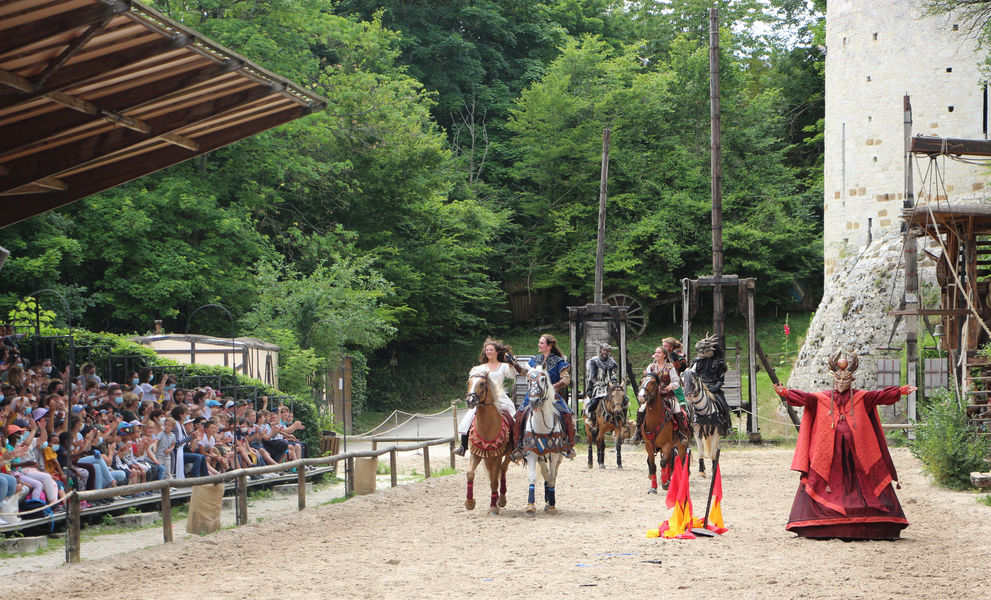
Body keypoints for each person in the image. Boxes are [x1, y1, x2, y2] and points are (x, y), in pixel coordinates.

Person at [774, 350, 913, 540]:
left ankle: (881, 524)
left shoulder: (862, 397)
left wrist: (900, 391)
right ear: (833, 379)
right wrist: (785, 393)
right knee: (820, 481)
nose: (841, 383)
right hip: (828, 455)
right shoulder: (821, 398)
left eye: (846, 380)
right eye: (838, 380)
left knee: (868, 482)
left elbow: (880, 396)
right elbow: (804, 398)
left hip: (858, 455)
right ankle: (813, 525)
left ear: (852, 380)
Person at [455, 339, 523, 456]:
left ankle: (516, 446)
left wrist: (512, 364)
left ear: (497, 352)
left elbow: (512, 375)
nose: (489, 352)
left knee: (514, 418)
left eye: (491, 350)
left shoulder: (503, 366)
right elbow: (473, 381)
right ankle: (463, 446)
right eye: (487, 350)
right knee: (468, 418)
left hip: (500, 397)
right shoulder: (479, 368)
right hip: (482, 399)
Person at [514, 334, 575, 459]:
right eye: (539, 342)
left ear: (549, 346)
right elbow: (526, 373)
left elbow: (566, 378)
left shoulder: (559, 361)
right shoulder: (534, 360)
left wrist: (553, 387)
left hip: (551, 395)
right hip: (534, 394)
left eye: (541, 343)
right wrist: (515, 365)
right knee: (519, 415)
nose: (538, 345)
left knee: (567, 413)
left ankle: (569, 446)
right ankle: (519, 447)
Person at [632, 346, 688, 443]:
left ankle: (681, 433)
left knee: (677, 409)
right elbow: (647, 379)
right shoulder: (651, 367)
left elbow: (676, 381)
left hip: (667, 395)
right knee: (641, 409)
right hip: (653, 396)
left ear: (664, 355)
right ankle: (638, 432)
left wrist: (671, 386)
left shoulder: (669, 367)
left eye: (659, 353)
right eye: (656, 352)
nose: (656, 354)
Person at [583, 342, 619, 432]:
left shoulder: (612, 363)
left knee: (620, 400)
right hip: (597, 386)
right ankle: (591, 418)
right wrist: (598, 383)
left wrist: (613, 382)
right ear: (600, 350)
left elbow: (614, 375)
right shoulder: (593, 362)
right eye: (603, 350)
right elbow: (592, 377)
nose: (605, 353)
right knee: (594, 403)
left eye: (607, 351)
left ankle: (621, 419)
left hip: (609, 386)